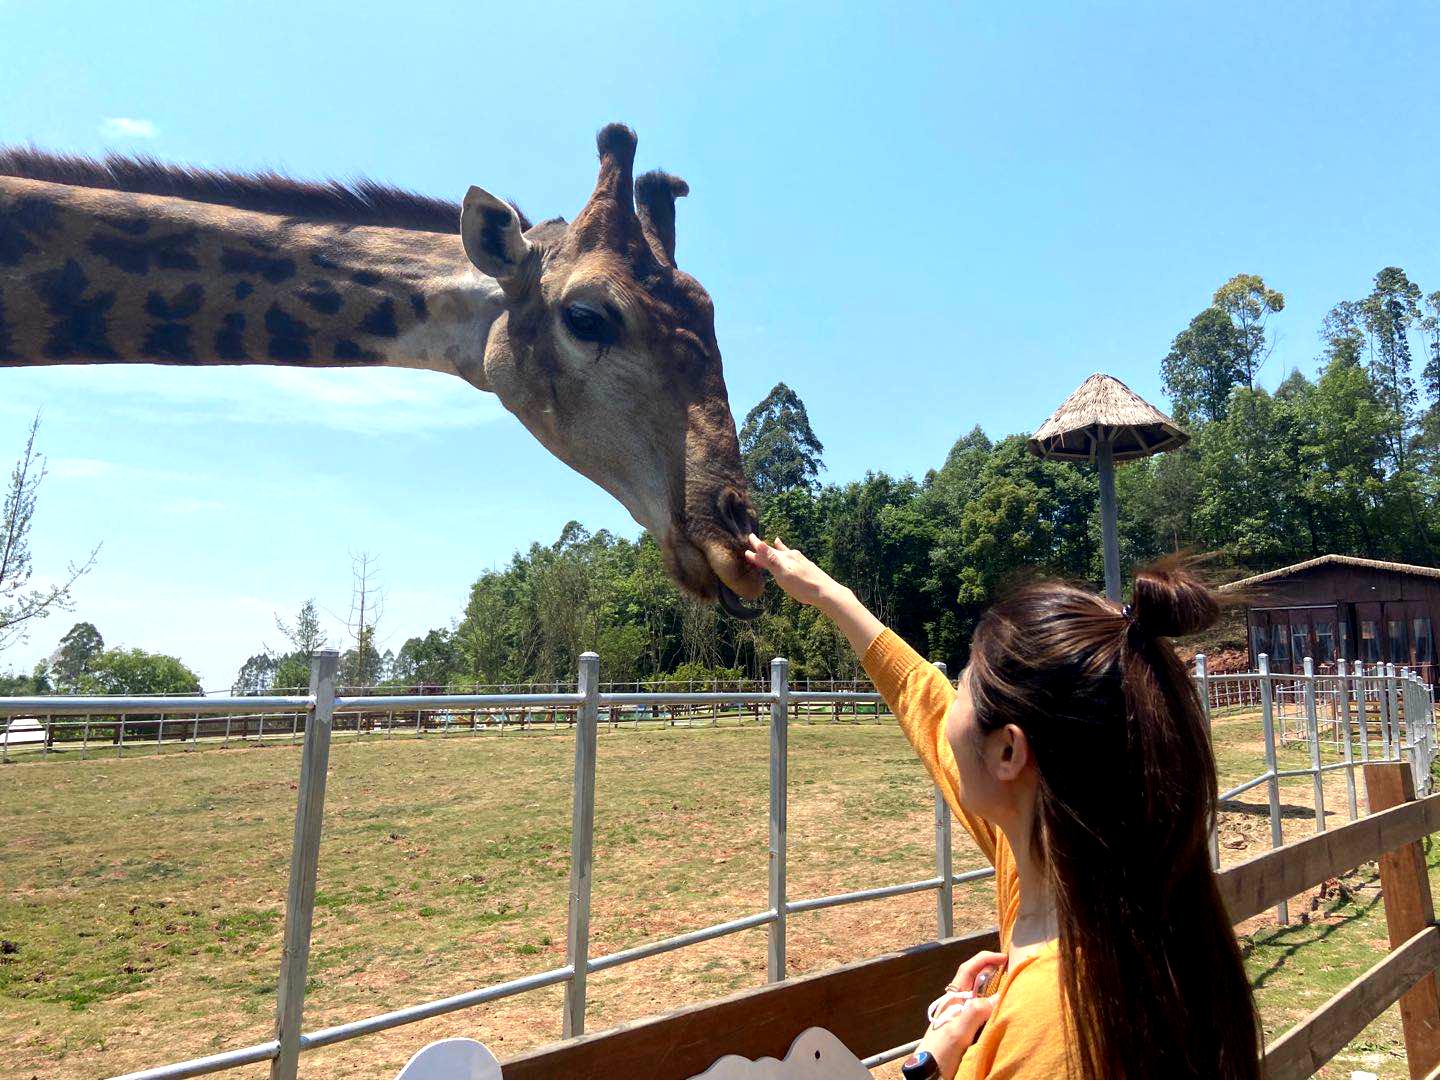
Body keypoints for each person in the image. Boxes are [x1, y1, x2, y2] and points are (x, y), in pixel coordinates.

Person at [744, 534, 1260, 1079]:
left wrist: (931, 1062)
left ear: (1009, 751)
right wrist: (830, 594)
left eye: (966, 680)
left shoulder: (1054, 1024)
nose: (951, 706)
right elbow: (924, 698)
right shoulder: (1110, 891)